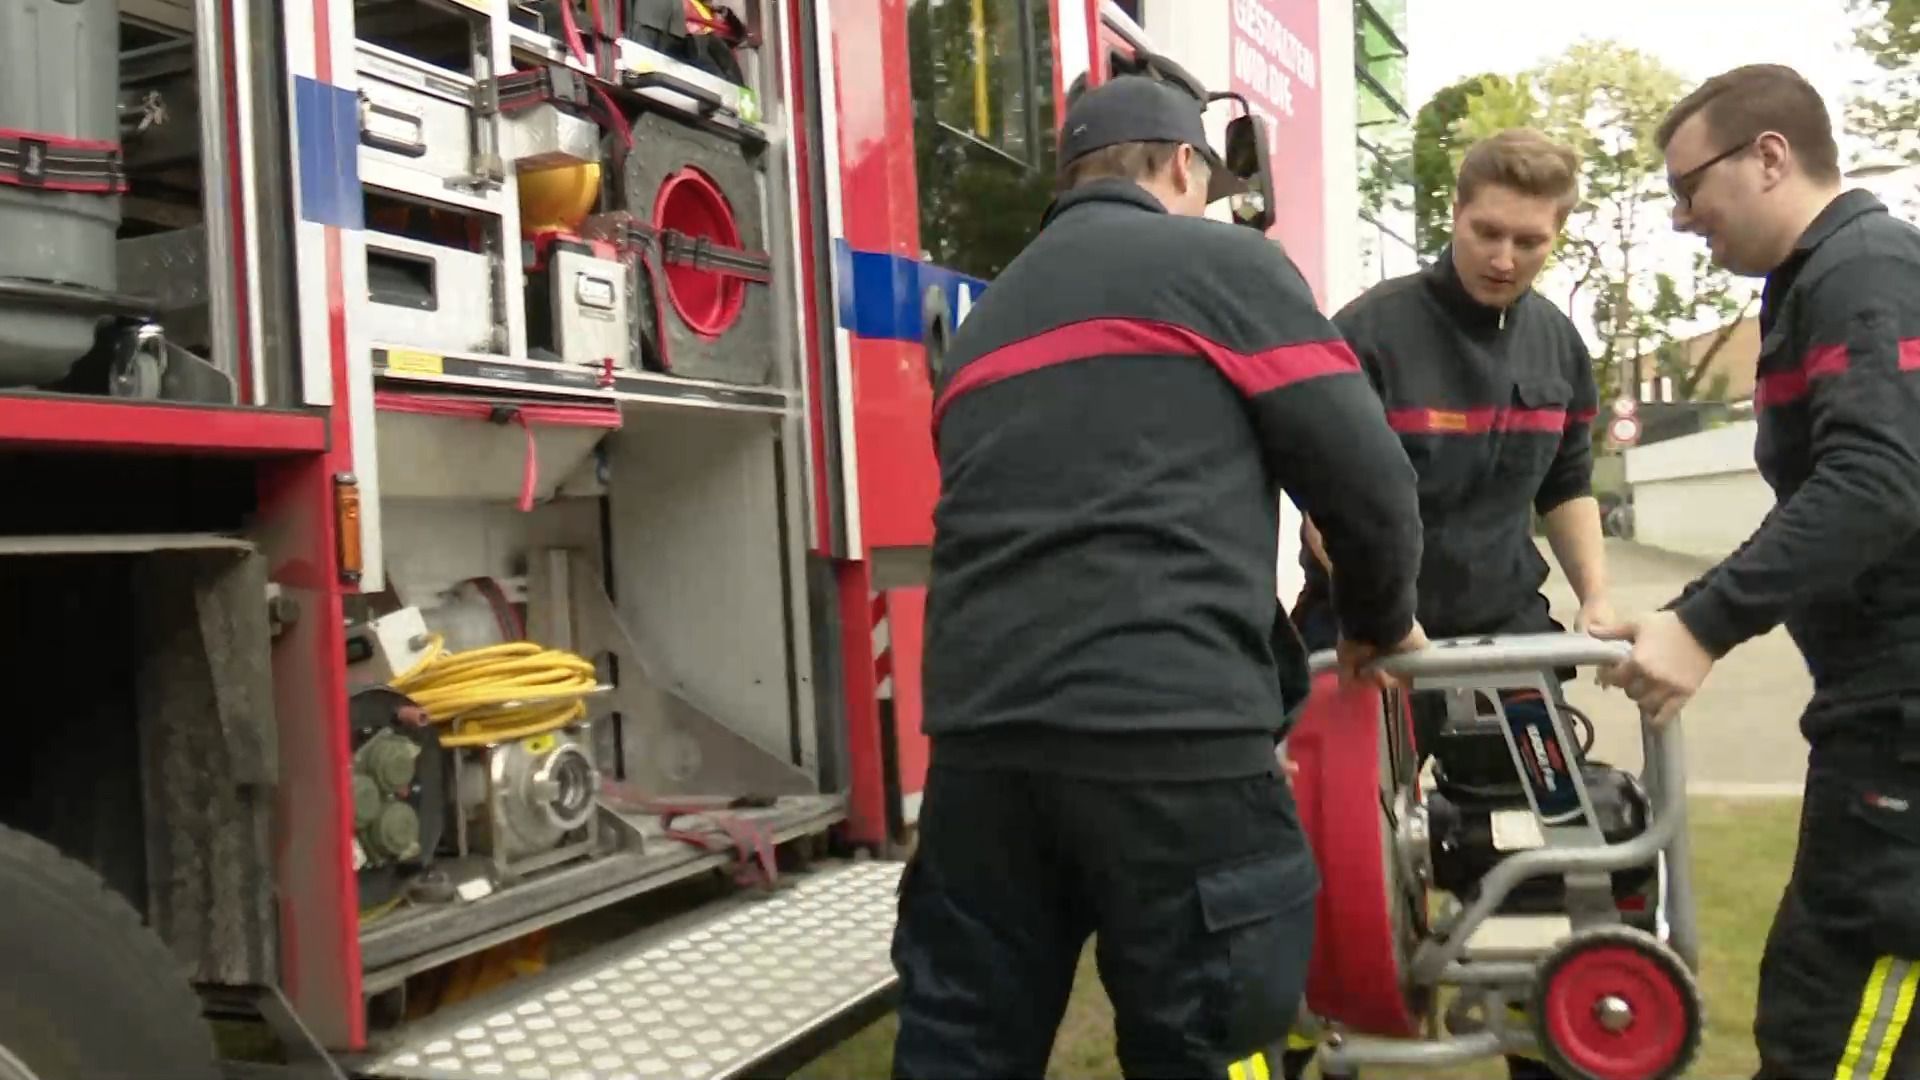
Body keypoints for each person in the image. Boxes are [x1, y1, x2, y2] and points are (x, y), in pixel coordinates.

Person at [889, 68, 1427, 1080]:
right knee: (1206, 1041)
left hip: (980, 750)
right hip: (1169, 738)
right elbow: (1373, 487)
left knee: (960, 1044)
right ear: (1184, 164)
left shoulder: (980, 327)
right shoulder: (1222, 266)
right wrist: (1380, 619)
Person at [1597, 63, 1920, 1080]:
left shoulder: (1863, 271)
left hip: (1903, 726)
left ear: (1769, 156)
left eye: (1690, 188)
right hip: (1879, 712)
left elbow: (1877, 480)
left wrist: (1703, 626)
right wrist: (1685, 610)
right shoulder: (1821, 282)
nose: (1686, 216)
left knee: (1831, 1037)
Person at [1285, 127, 1613, 1080]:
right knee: (1324, 879)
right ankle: (1303, 1046)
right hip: (1369, 645)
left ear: (1557, 236)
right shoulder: (1370, 330)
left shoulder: (1559, 344)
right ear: (1455, 214)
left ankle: (1541, 1054)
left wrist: (1595, 597)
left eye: (1531, 240)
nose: (1505, 256)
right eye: (1486, 232)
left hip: (1507, 648)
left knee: (1540, 871)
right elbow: (1321, 497)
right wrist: (1370, 601)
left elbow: (1570, 480)